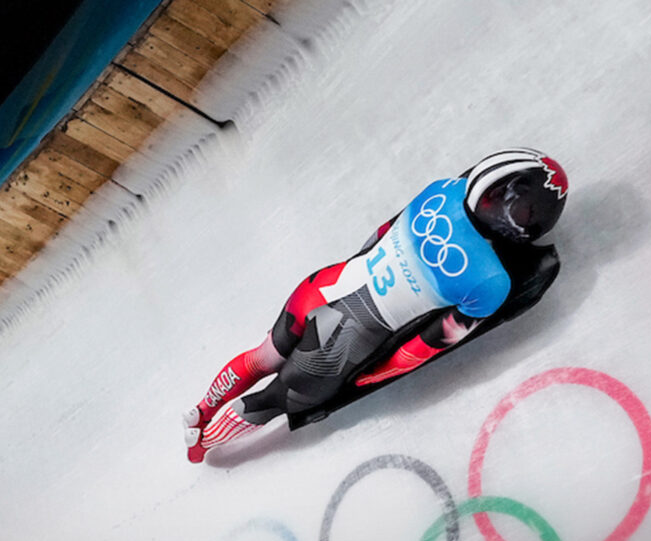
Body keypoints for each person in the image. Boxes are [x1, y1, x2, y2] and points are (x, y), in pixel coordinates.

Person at [184, 148, 569, 463]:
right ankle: (202, 447)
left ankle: (202, 410)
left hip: (322, 286)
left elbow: (379, 235)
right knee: (272, 400)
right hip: (343, 342)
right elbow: (426, 345)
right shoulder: (491, 282)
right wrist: (377, 373)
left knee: (262, 357)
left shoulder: (441, 191)